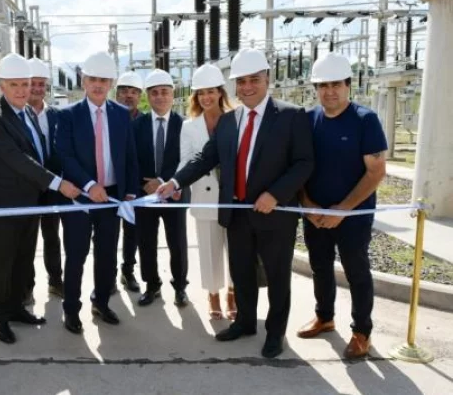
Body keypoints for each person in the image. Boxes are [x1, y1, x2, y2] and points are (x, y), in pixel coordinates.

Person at [157, 48, 314, 358]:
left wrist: (276, 194)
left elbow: (303, 163)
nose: (247, 87)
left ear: (267, 79)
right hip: (237, 213)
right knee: (241, 273)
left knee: (278, 276)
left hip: (274, 215)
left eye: (253, 80)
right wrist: (175, 182)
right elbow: (205, 158)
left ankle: (274, 332)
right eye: (241, 82)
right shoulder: (230, 121)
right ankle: (244, 322)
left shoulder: (291, 115)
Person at [0, 54, 80, 344]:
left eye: (25, 84)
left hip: (30, 203)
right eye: (15, 85)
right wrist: (58, 184)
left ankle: (15, 309)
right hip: (4, 206)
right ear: (2, 86)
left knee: (23, 261)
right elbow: (17, 159)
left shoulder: (26, 115)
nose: (22, 90)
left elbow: (41, 156)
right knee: (2, 263)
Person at [296, 52, 387, 359]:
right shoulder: (308, 120)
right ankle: (325, 317)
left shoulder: (365, 120)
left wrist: (342, 210)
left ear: (348, 85)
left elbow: (376, 172)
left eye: (336, 84)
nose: (329, 91)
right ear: (315, 89)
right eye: (322, 85)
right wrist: (308, 206)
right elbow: (300, 167)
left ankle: (362, 332)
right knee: (320, 268)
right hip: (315, 215)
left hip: (353, 216)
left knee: (356, 271)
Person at [56, 51, 139, 334]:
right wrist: (90, 185)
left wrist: (129, 192)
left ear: (112, 82)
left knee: (106, 255)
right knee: (76, 255)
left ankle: (101, 302)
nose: (98, 85)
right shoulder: (68, 115)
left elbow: (129, 155)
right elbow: (65, 156)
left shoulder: (121, 114)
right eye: (93, 79)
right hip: (80, 195)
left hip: (112, 197)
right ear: (84, 80)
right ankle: (71, 309)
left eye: (104, 79)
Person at [178, 64, 237, 320]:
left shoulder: (236, 119)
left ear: (220, 93)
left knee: (235, 249)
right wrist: (174, 183)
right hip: (204, 195)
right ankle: (213, 293)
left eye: (211, 92)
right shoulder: (189, 127)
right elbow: (186, 161)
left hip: (234, 198)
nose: (206, 98)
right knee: (209, 249)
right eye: (201, 93)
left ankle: (233, 293)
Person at [133, 69, 189, 307]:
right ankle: (152, 285)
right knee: (146, 242)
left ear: (172, 94)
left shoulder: (185, 125)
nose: (160, 97)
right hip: (146, 195)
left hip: (174, 194)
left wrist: (165, 181)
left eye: (164, 92)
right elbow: (131, 159)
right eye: (154, 93)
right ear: (148, 96)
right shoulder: (138, 125)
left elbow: (187, 160)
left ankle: (179, 287)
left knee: (177, 242)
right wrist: (144, 185)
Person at [24, 58, 68, 302]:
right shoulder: (19, 116)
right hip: (28, 187)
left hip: (53, 187)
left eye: (42, 84)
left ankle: (55, 280)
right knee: (28, 239)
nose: (38, 89)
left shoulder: (56, 115)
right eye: (33, 84)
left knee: (52, 235)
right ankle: (27, 286)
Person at [113, 71, 144, 293]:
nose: (128, 96)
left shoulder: (144, 122)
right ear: (116, 94)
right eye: (124, 91)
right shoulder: (107, 119)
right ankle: (108, 273)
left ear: (139, 96)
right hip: (111, 186)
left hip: (136, 188)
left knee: (132, 232)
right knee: (108, 232)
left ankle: (128, 271)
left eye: (133, 92)